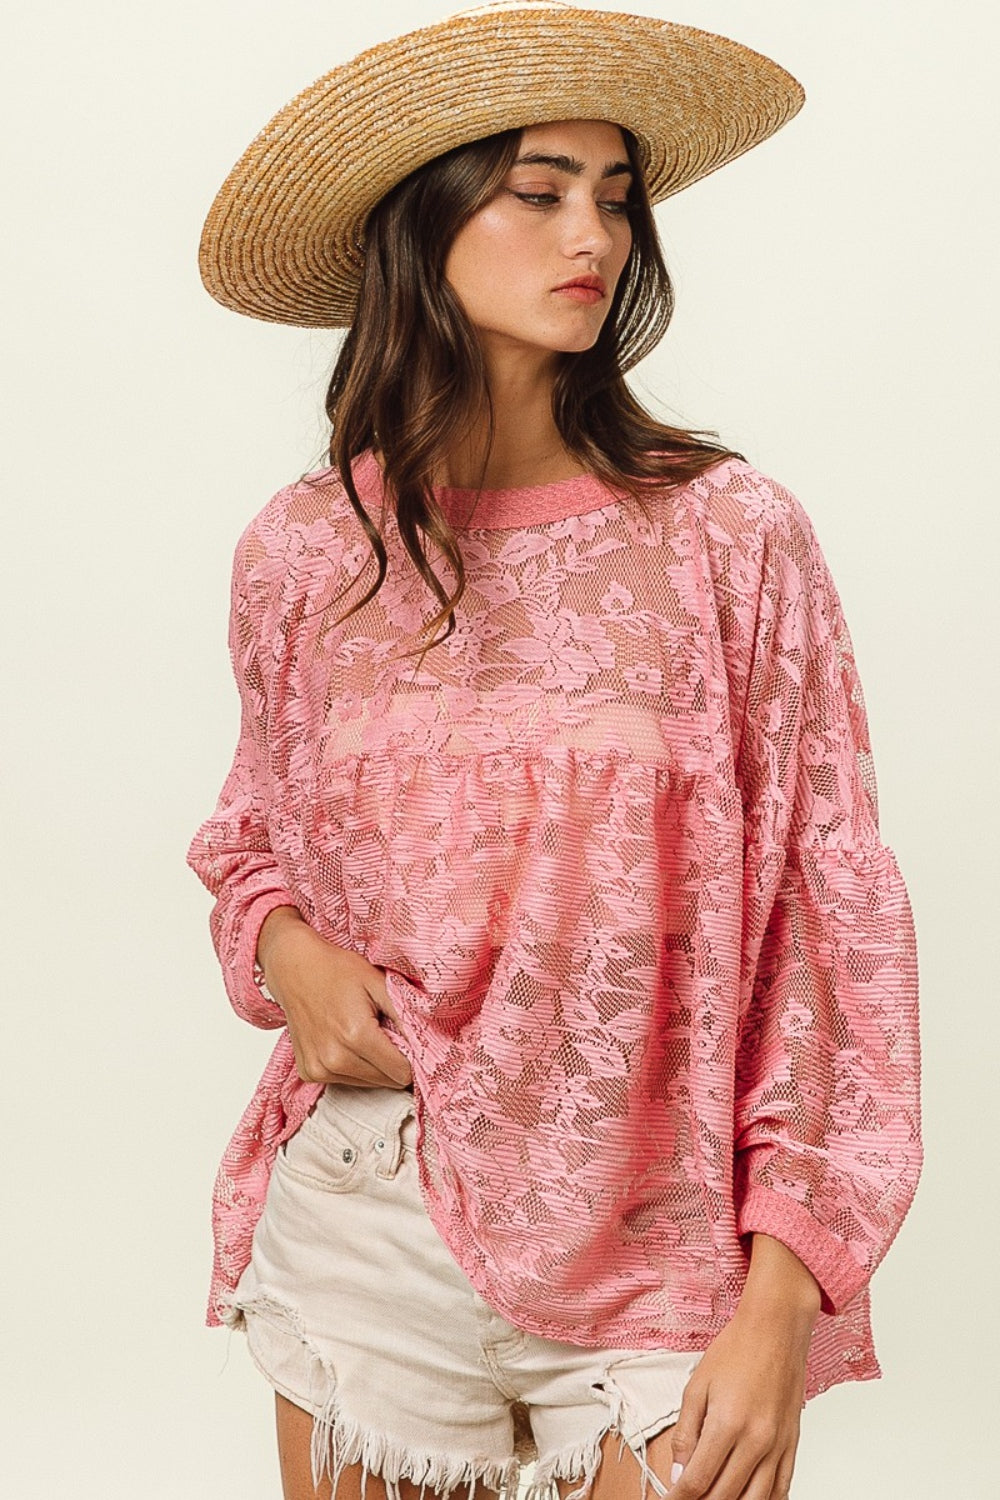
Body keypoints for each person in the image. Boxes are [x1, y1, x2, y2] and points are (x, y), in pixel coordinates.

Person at [188, 6, 922, 1500]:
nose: (593, 232)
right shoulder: (305, 552)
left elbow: (830, 912)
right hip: (373, 1202)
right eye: (538, 190)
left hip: (668, 1236)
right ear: (424, 224)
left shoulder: (728, 536)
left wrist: (786, 1293)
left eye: (615, 194)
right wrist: (284, 949)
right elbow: (253, 832)